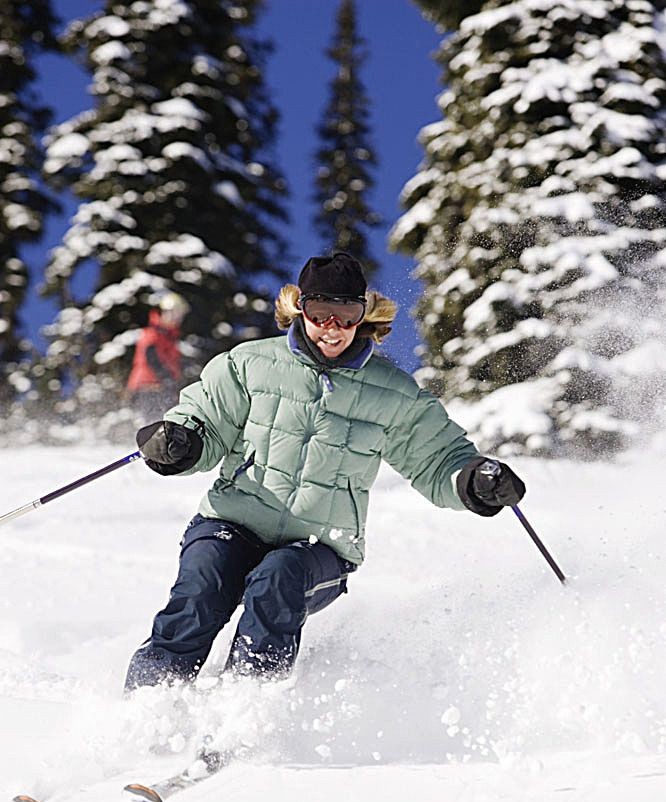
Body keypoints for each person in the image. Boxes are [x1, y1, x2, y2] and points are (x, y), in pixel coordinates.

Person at [125, 252, 525, 691]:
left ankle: (243, 709)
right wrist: (180, 440)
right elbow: (204, 419)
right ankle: (149, 703)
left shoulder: (393, 393)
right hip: (231, 522)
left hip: (319, 546)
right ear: (301, 309)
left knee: (277, 581)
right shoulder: (250, 364)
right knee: (200, 588)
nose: (332, 328)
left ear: (363, 315)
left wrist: (473, 479)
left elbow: (438, 459)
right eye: (320, 313)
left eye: (346, 315)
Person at [126, 291, 189, 421]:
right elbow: (151, 358)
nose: (177, 319)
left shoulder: (170, 338)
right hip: (147, 387)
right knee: (154, 423)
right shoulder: (152, 334)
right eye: (174, 314)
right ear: (165, 312)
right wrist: (167, 377)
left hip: (161, 388)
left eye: (180, 316)